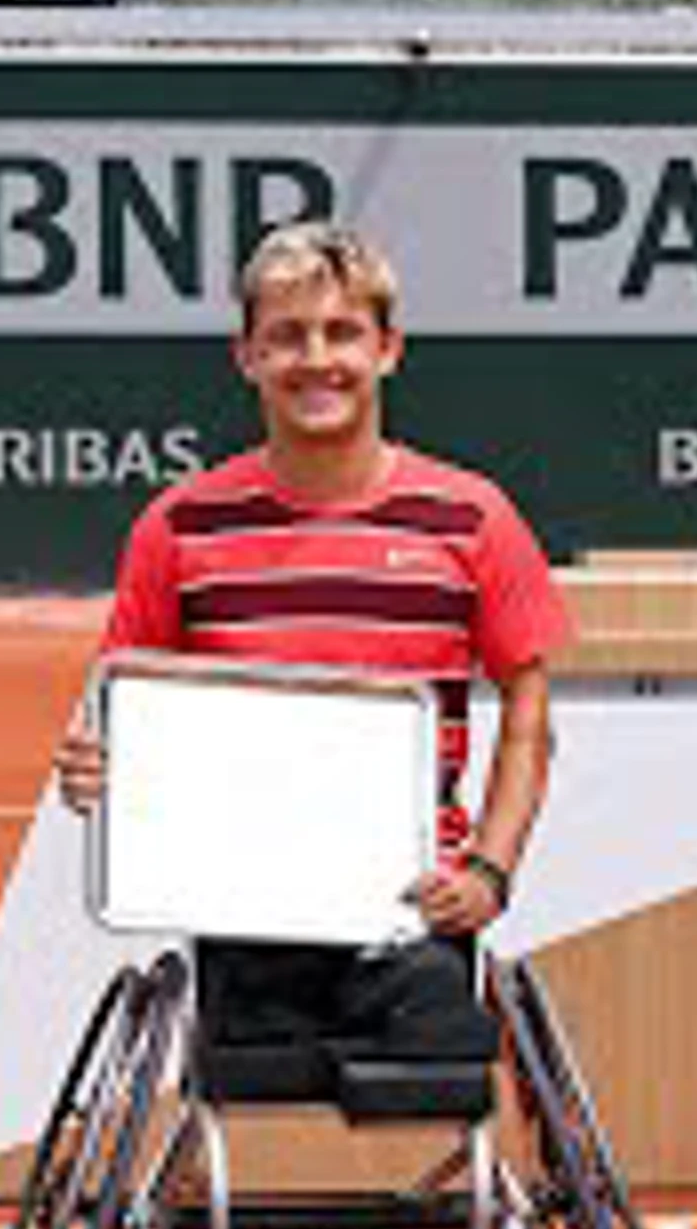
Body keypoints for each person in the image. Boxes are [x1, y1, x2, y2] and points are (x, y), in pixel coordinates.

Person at [50, 220, 575, 1165]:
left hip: (411, 918)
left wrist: (490, 872)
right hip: (245, 915)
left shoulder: (473, 518)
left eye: (341, 333)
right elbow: (121, 711)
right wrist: (94, 764)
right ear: (246, 354)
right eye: (287, 336)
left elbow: (529, 720)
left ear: (388, 349)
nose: (316, 358)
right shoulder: (179, 526)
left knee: (443, 1071)